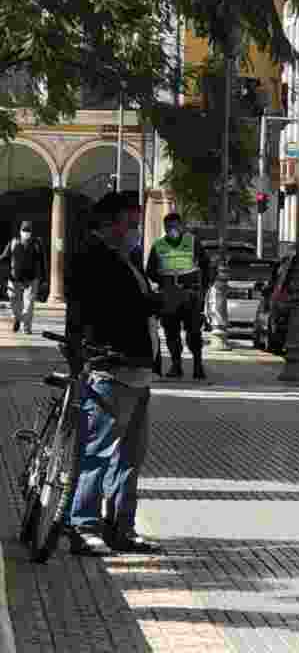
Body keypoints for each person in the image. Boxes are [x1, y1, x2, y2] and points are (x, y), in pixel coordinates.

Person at [65, 191, 161, 555]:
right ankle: (83, 526)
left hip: (137, 372)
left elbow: (135, 305)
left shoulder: (126, 260)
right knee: (98, 452)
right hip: (112, 371)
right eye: (131, 225)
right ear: (109, 225)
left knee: (130, 457)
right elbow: (103, 310)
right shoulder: (92, 259)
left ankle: (122, 527)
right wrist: (155, 303)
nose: (136, 232)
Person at [146, 214, 211, 380]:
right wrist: (163, 281)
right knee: (171, 331)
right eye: (169, 227)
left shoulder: (192, 242)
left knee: (194, 331)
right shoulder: (158, 245)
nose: (172, 230)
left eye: (175, 226)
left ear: (181, 226)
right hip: (169, 294)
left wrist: (203, 288)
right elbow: (150, 270)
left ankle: (198, 365)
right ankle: (176, 365)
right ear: (165, 228)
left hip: (190, 293)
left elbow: (206, 265)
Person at [1, 221, 47, 334]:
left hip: (31, 278)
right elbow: (4, 257)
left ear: (31, 232)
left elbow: (42, 261)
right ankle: (17, 318)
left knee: (29, 304)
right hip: (14, 278)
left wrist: (44, 278)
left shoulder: (37, 243)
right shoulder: (13, 242)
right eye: (24, 230)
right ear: (20, 231)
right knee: (13, 301)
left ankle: (26, 328)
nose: (26, 232)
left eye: (28, 230)